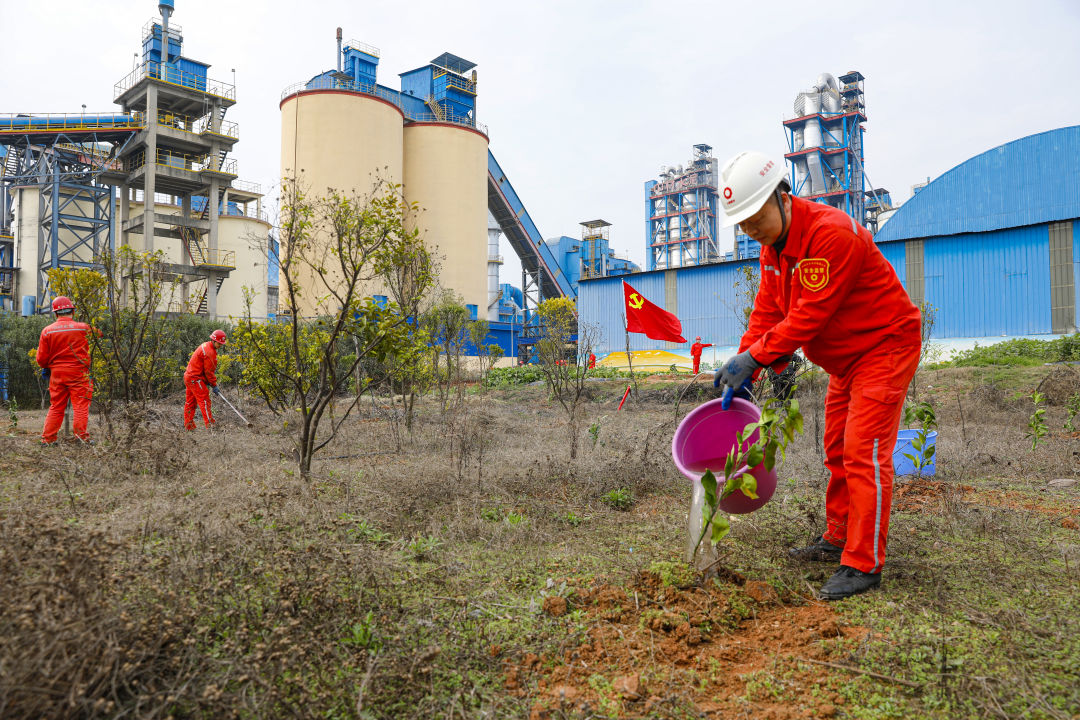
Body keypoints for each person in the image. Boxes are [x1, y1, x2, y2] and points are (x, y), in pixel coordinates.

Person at [713, 151, 921, 601]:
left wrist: (756, 358)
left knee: (863, 452)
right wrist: (745, 361)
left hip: (883, 347)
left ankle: (863, 563)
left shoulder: (830, 235)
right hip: (846, 359)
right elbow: (768, 311)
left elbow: (808, 318)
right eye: (742, 223)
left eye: (755, 217)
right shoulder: (773, 250)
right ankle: (838, 536)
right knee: (837, 449)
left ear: (782, 196)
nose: (750, 229)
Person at [36, 296, 99, 445]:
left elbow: (41, 360)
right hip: (79, 373)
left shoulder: (47, 331)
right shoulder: (83, 328)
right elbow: (101, 336)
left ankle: (48, 440)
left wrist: (48, 367)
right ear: (73, 311)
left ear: (55, 313)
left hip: (57, 375)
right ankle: (81, 438)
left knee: (56, 406)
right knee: (80, 406)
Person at [184, 329, 227, 430]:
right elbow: (209, 372)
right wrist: (214, 385)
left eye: (221, 344)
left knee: (190, 402)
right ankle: (210, 426)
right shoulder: (209, 352)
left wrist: (207, 381)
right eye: (219, 343)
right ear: (213, 340)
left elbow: (204, 369)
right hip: (195, 379)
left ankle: (189, 426)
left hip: (189, 377)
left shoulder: (206, 345)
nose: (220, 346)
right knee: (204, 400)